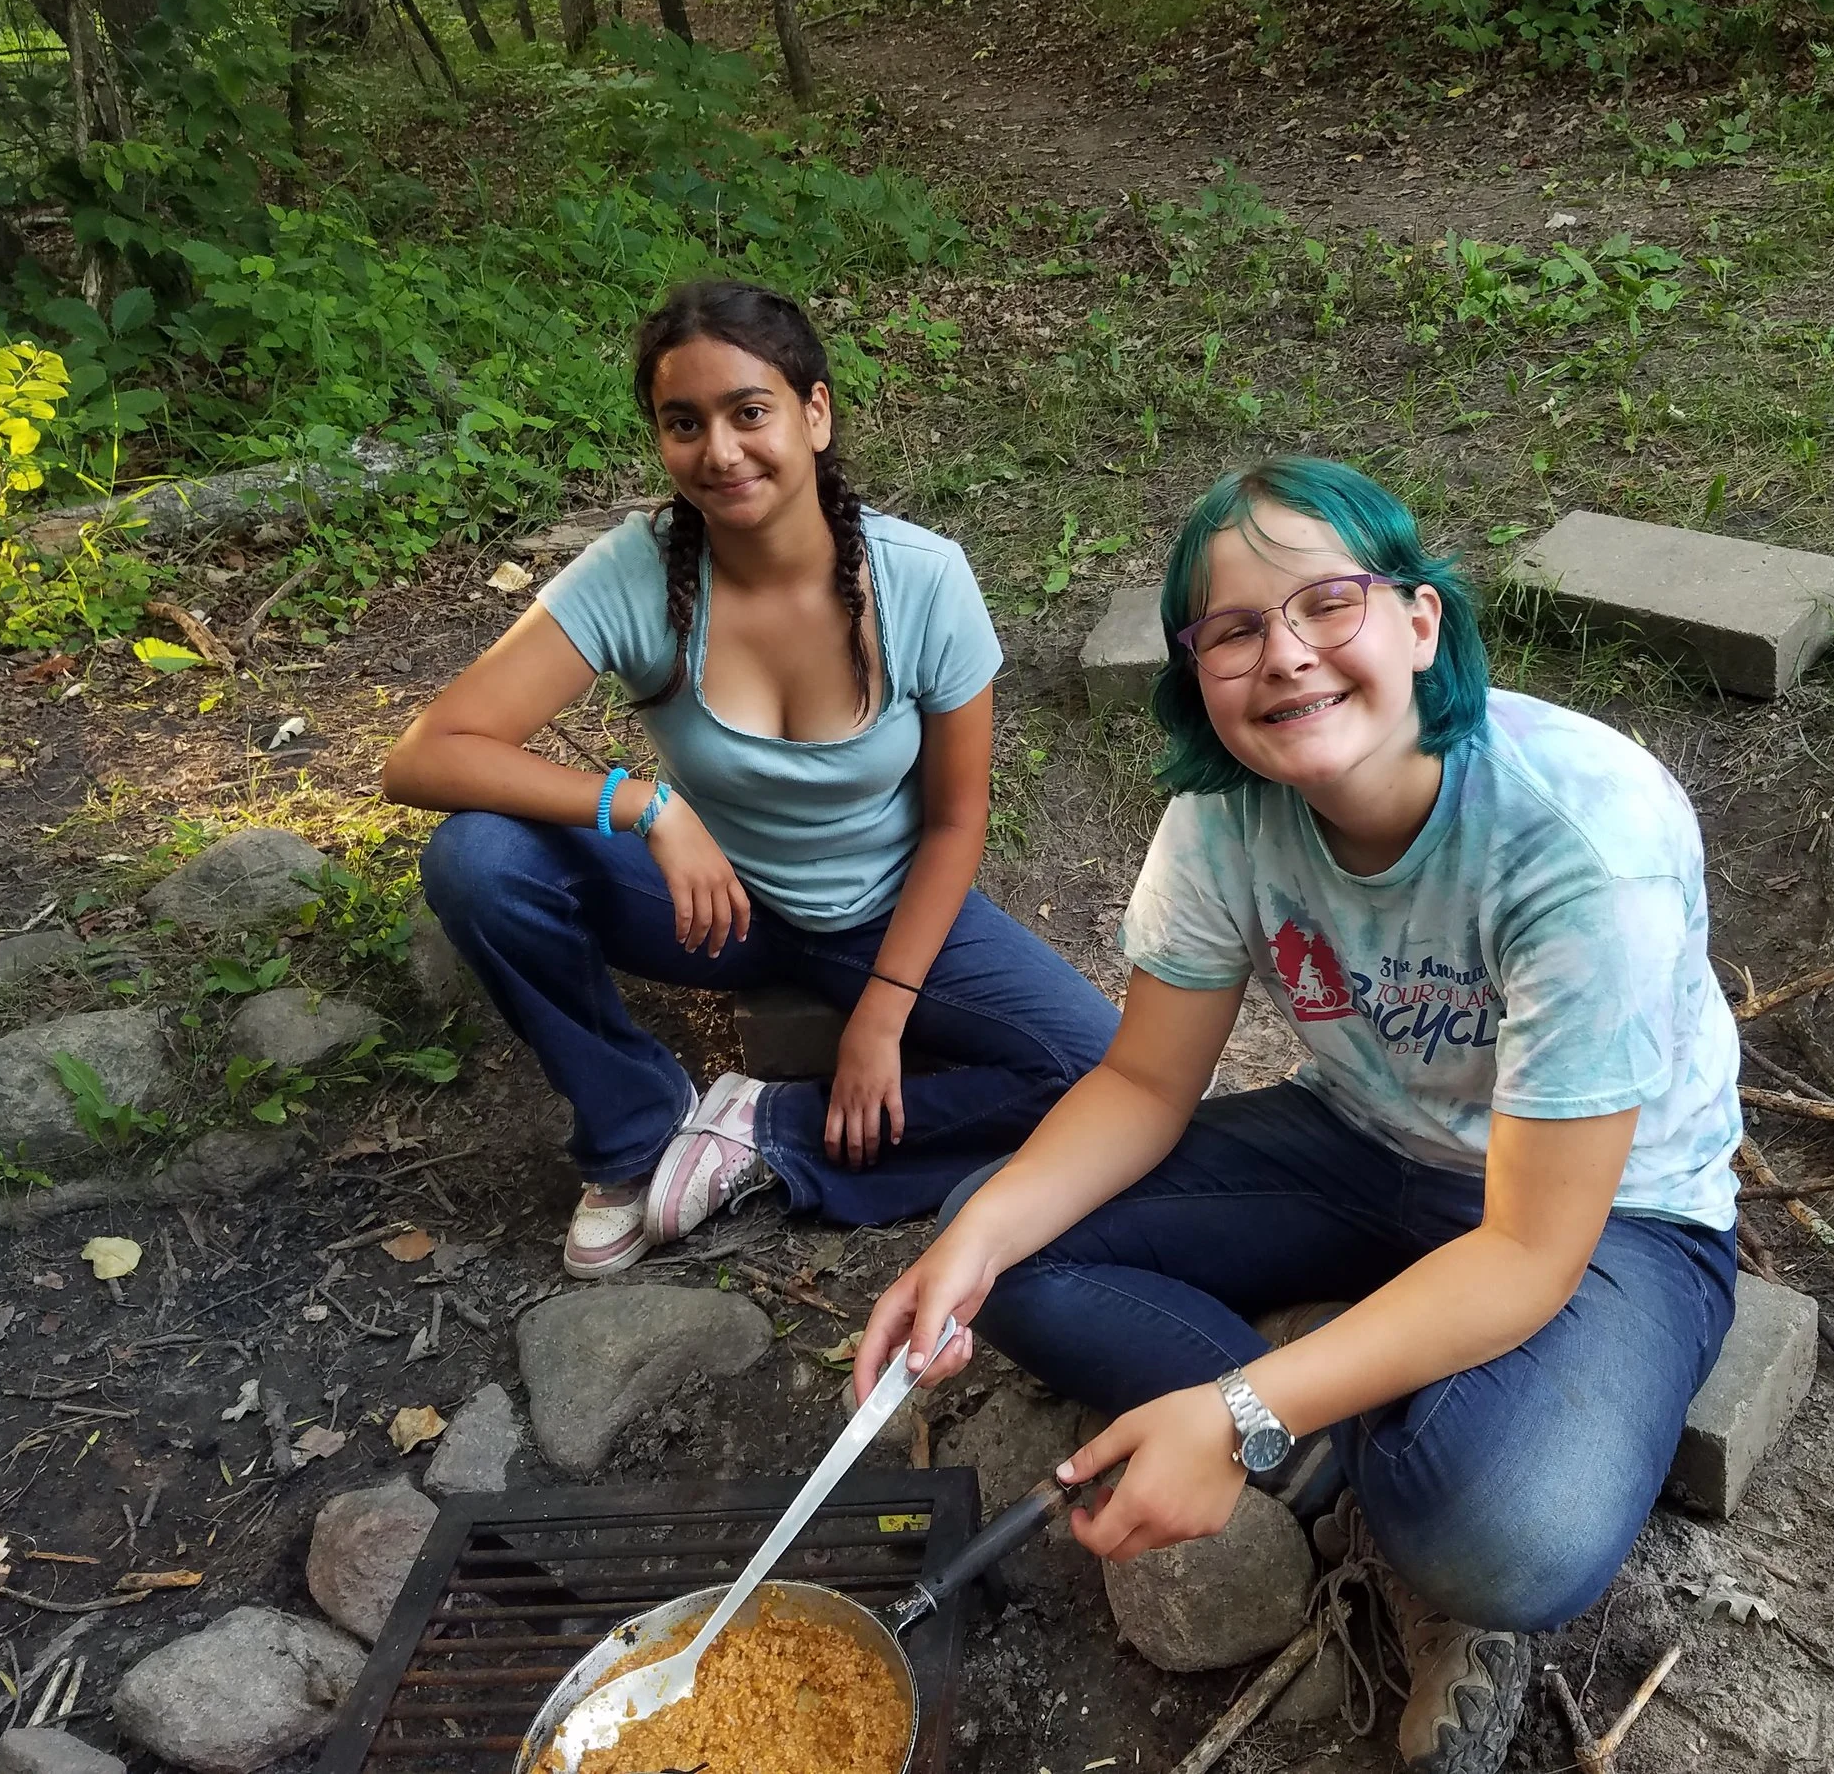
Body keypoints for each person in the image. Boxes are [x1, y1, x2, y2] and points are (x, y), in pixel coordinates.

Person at [853, 459, 1742, 1774]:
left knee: (1506, 1524)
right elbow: (1145, 1084)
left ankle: (1314, 1441)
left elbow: (1530, 1248)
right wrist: (969, 1239)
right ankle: (1325, 1437)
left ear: (1420, 622)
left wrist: (1232, 1410)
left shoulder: (1575, 835)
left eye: (1329, 602)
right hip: (1362, 1144)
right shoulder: (1227, 810)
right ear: (1196, 668)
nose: (1286, 655)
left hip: (1611, 1214)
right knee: (1001, 1249)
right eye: (1234, 628)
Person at [385, 280, 1120, 1278]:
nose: (719, 452)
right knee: (480, 858)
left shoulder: (922, 578)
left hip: (883, 917)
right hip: (713, 908)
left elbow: (956, 820)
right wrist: (642, 806)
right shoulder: (636, 571)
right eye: (683, 423)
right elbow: (428, 753)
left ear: (815, 414)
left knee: (1099, 1071)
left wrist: (882, 1015)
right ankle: (634, 1137)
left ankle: (757, 1131)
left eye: (749, 412)